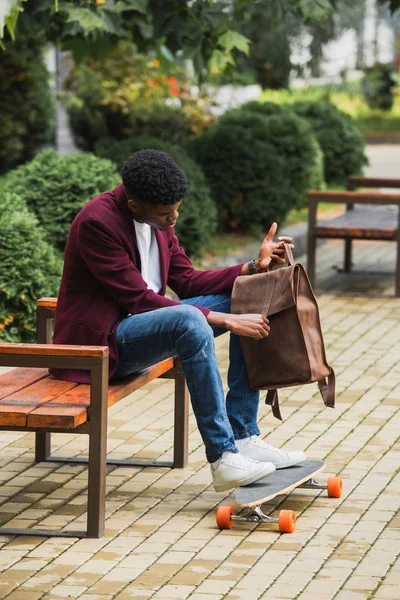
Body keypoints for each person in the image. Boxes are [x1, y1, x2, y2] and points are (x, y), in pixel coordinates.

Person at [51, 149, 306, 492]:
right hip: (105, 345)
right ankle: (223, 457)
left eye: (176, 209)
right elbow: (138, 300)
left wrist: (252, 268)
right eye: (165, 213)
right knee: (189, 319)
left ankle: (244, 436)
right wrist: (223, 320)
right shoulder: (97, 223)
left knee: (250, 295)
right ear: (134, 206)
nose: (174, 218)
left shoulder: (158, 217)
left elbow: (187, 280)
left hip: (145, 326)